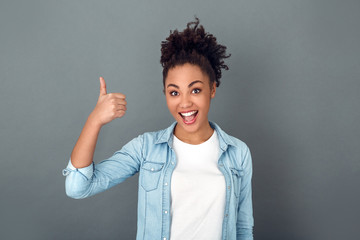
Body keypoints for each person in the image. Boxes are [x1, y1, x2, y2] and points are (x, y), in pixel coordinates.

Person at [63, 18, 254, 240]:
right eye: (174, 92)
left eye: (195, 90)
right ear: (165, 94)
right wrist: (94, 121)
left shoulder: (238, 153)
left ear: (212, 89)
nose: (184, 103)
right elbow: (77, 187)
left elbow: (242, 229)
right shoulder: (145, 149)